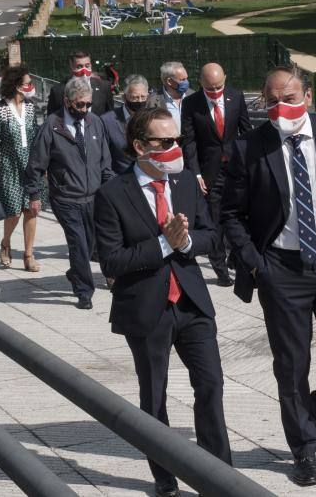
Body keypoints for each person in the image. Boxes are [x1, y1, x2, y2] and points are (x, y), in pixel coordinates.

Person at [220, 66, 316, 486]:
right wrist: (256, 264)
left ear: (306, 93)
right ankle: (302, 448)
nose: (278, 107)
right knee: (291, 364)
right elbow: (231, 214)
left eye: (287, 98)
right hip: (282, 268)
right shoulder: (250, 146)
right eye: (270, 101)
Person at [94, 108, 231, 497]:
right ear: (140, 147)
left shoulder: (186, 182)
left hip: (191, 303)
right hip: (146, 308)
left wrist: (186, 243)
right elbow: (112, 260)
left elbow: (210, 235)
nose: (176, 149)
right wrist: (161, 244)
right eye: (166, 142)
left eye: (179, 141)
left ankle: (218, 476)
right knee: (154, 395)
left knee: (211, 385)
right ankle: (165, 476)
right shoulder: (111, 194)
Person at [25, 77, 114, 309]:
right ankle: (84, 292)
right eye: (79, 105)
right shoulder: (52, 127)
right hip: (66, 198)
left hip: (94, 197)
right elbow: (35, 164)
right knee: (78, 244)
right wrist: (34, 194)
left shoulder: (95, 123)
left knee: (91, 244)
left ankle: (76, 273)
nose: (84, 109)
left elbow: (105, 161)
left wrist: (110, 189)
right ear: (67, 102)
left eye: (88, 104)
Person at [182, 62, 252, 287]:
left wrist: (250, 163)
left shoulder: (235, 96)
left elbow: (246, 131)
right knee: (214, 223)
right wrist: (196, 174)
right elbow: (189, 142)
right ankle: (221, 271)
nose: (215, 92)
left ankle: (238, 258)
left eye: (219, 86)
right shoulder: (191, 104)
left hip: (236, 169)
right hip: (209, 173)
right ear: (200, 83)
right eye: (210, 88)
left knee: (241, 216)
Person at [0, 64, 44, 271]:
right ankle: (6, 243)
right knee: (14, 212)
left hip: (30, 166)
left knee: (31, 210)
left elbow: (36, 136)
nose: (31, 86)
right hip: (7, 167)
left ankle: (28, 255)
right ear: (17, 86)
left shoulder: (30, 107)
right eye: (28, 83)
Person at [101, 74, 149, 174]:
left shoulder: (154, 118)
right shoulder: (107, 121)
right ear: (124, 97)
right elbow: (104, 158)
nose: (140, 101)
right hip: (121, 179)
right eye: (134, 98)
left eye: (143, 97)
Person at [46, 51, 113, 117]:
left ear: (91, 66)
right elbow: (52, 119)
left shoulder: (104, 87)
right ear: (71, 67)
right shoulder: (57, 91)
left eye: (87, 66)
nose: (84, 71)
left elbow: (110, 116)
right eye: (79, 67)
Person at [146, 61, 193, 133]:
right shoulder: (152, 102)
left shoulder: (193, 96)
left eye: (186, 78)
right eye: (182, 80)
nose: (186, 82)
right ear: (169, 81)